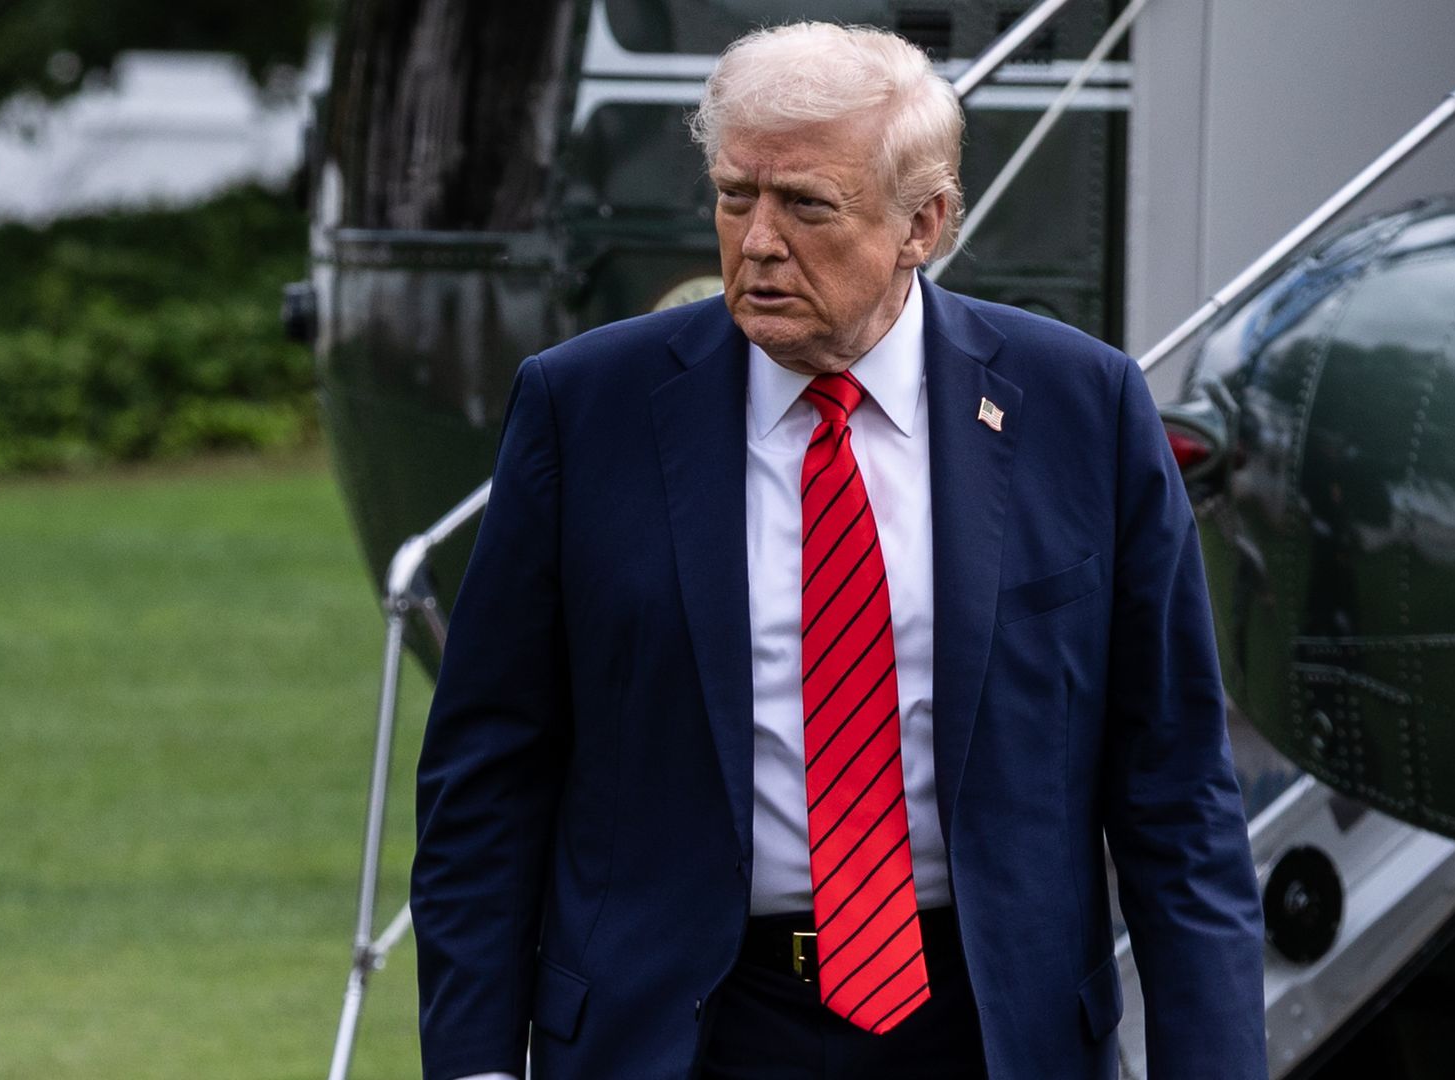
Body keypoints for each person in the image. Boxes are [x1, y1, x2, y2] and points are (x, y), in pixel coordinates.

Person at [411, 21, 1264, 1080]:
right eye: (734, 196)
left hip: (992, 1032)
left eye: (806, 206)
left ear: (927, 223)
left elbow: (1176, 792)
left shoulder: (1080, 408)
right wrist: (476, 1064)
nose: (759, 242)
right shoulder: (585, 409)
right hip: (681, 1034)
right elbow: (488, 776)